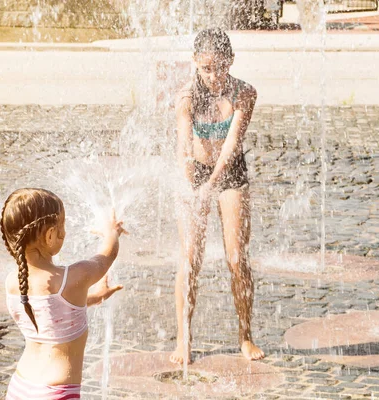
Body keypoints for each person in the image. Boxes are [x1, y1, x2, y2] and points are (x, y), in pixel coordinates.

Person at [172, 28, 265, 364]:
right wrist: (192, 187)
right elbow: (184, 149)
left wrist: (210, 187)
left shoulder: (244, 94)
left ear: (231, 61)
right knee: (190, 259)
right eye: (206, 68)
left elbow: (230, 148)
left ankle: (245, 335)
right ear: (196, 63)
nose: (214, 76)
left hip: (230, 174)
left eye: (220, 67)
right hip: (193, 173)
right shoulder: (186, 98)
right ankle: (184, 338)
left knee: (237, 258)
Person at [1, 188, 126, 399]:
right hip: (57, 392)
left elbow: (52, 312)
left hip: (20, 385)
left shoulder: (13, 282)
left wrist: (96, 297)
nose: (65, 232)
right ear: (50, 235)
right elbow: (107, 255)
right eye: (62, 225)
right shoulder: (73, 277)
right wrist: (111, 232)